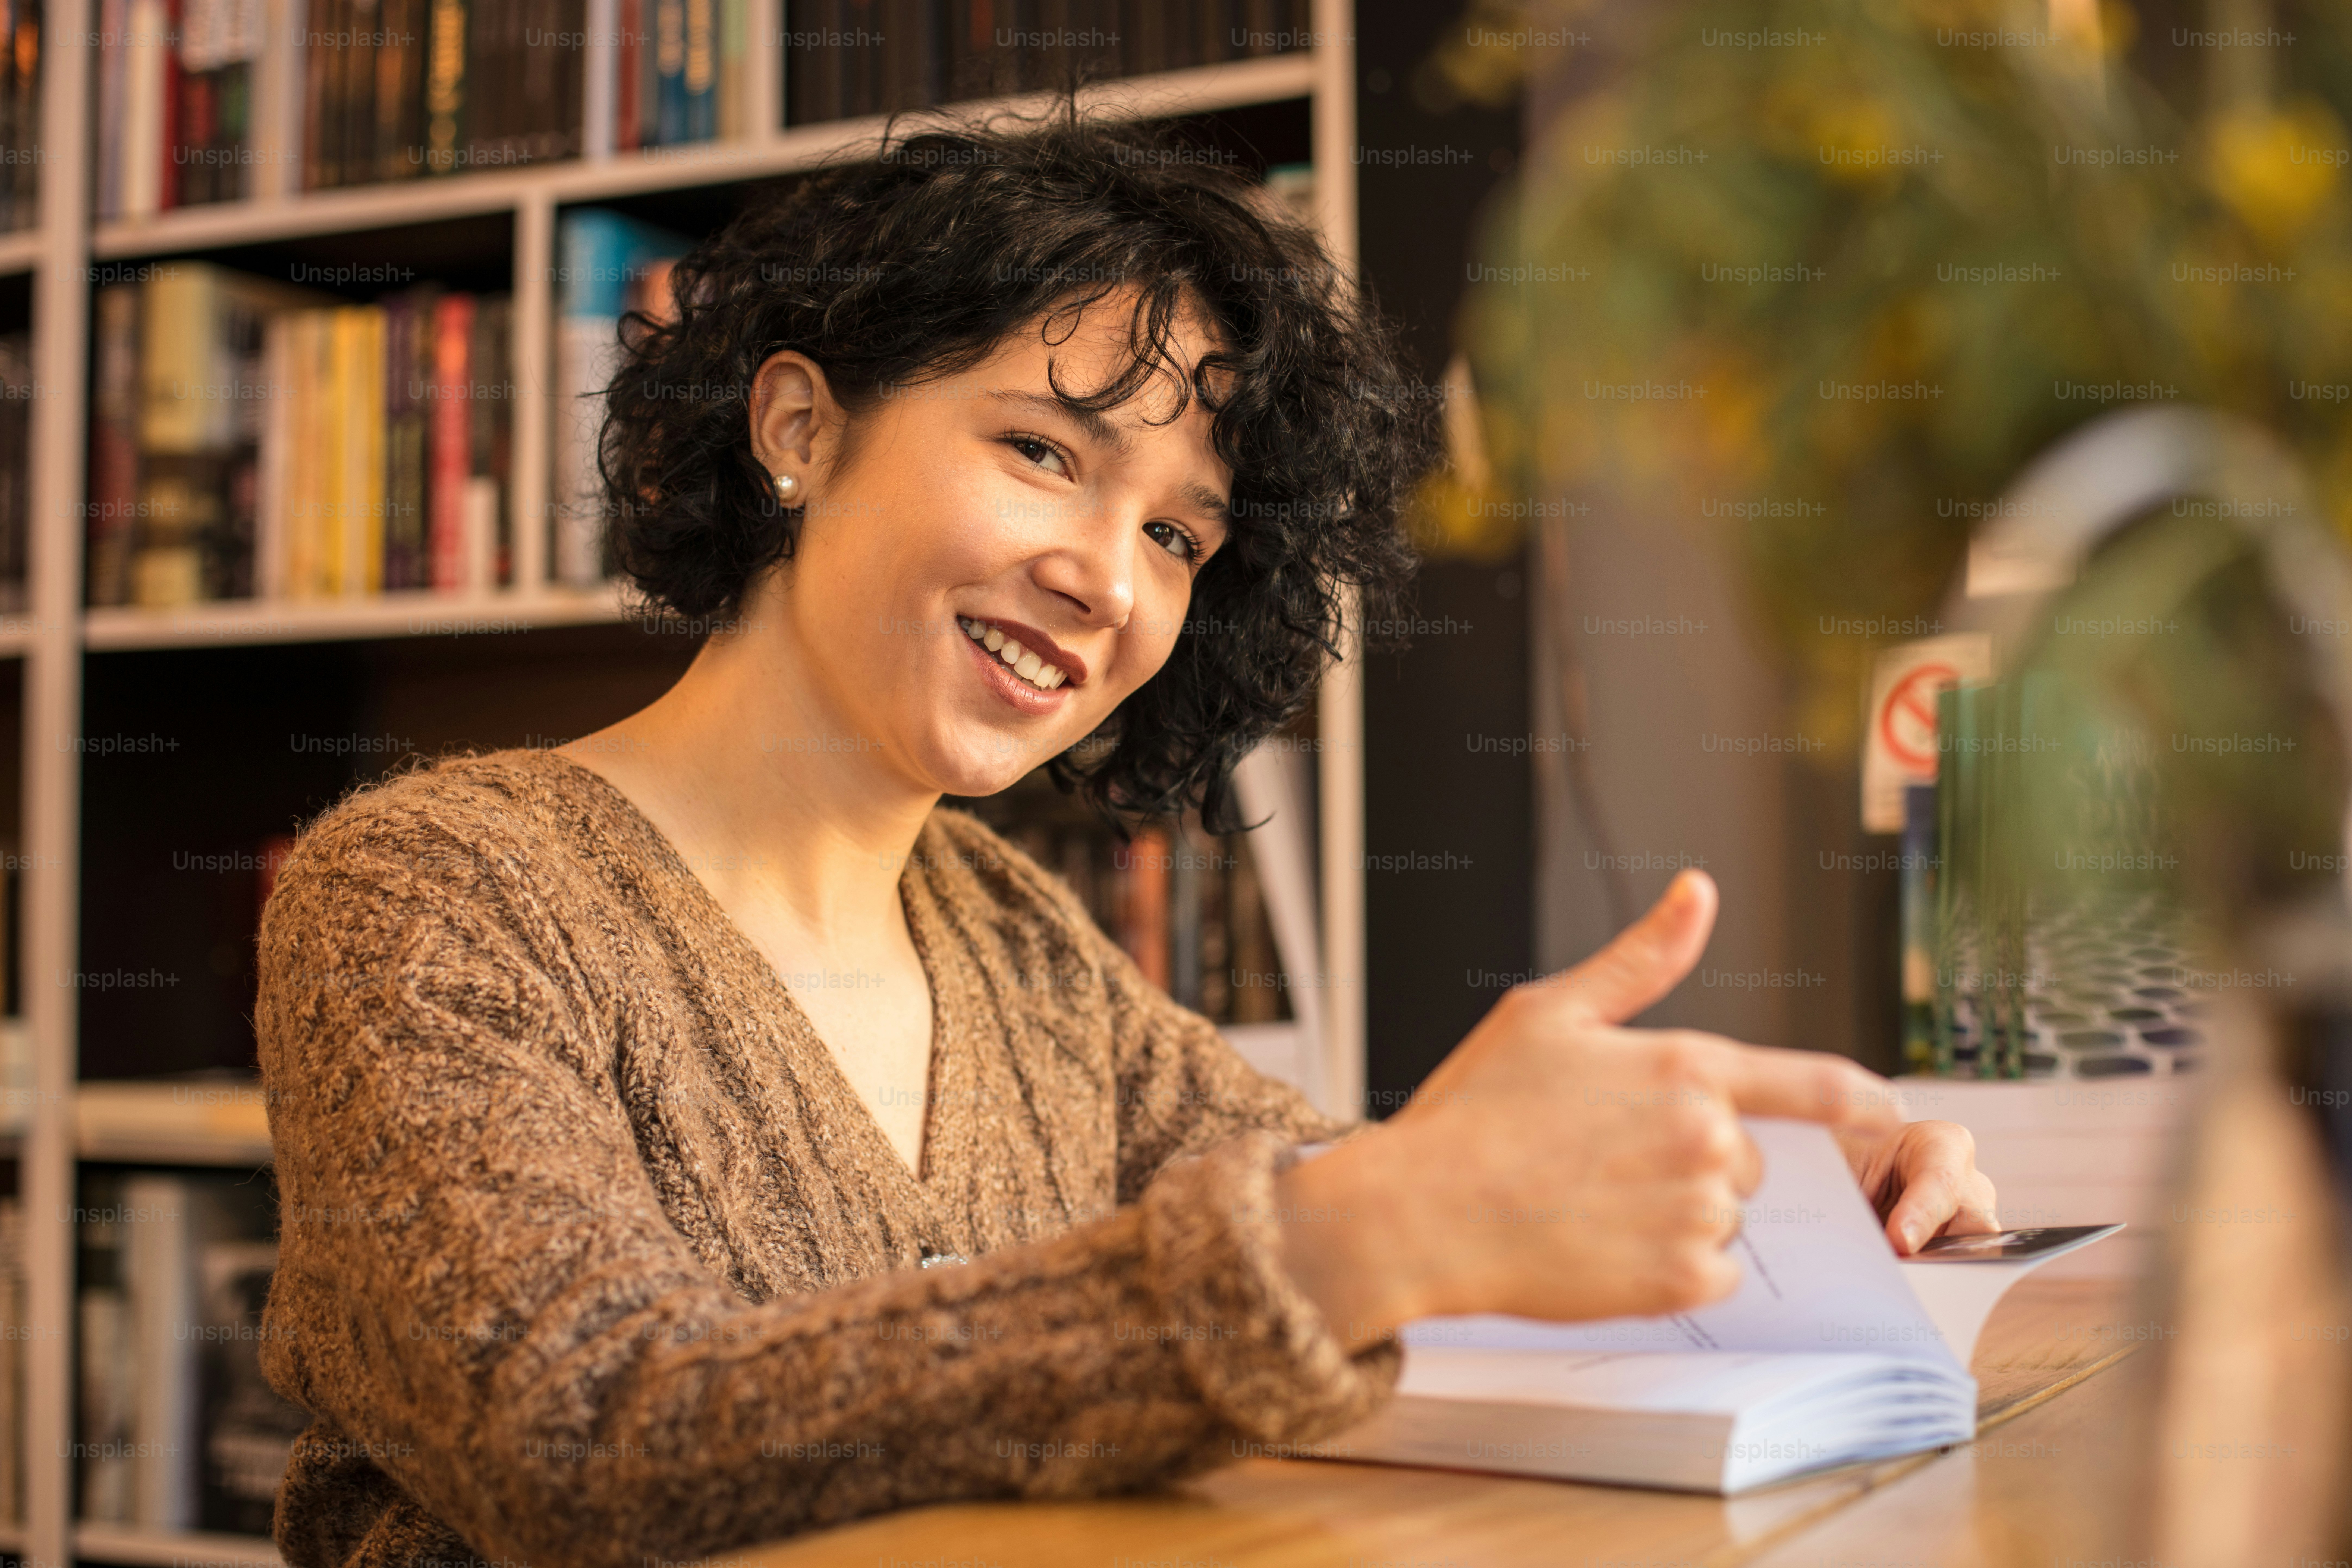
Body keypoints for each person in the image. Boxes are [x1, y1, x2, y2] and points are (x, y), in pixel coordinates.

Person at [254, 107, 1998, 1568]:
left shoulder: (1015, 945)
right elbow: (574, 1433)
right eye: (1037, 450)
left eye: (1179, 539)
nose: (1104, 577)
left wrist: (1762, 1202)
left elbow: (1329, 1212)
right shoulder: (431, 892)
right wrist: (1363, 1232)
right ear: (799, 429)